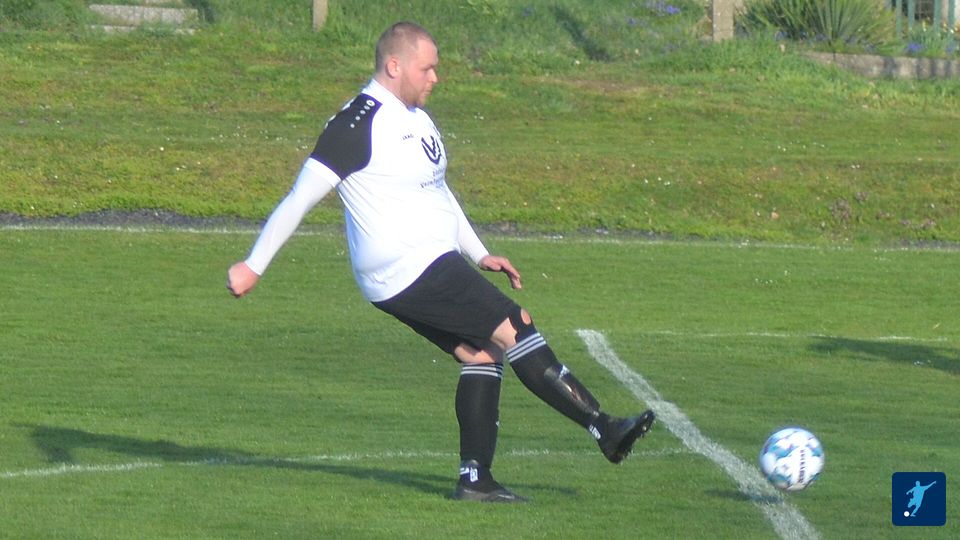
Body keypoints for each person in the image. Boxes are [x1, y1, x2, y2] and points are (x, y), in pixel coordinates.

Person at [227, 21, 655, 503]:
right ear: (394, 66)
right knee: (515, 325)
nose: (435, 78)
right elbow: (300, 197)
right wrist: (253, 265)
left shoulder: (416, 118)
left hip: (422, 265)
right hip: (407, 265)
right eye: (426, 68)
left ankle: (475, 480)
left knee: (482, 353)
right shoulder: (356, 124)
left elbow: (437, 190)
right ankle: (603, 428)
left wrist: (479, 251)